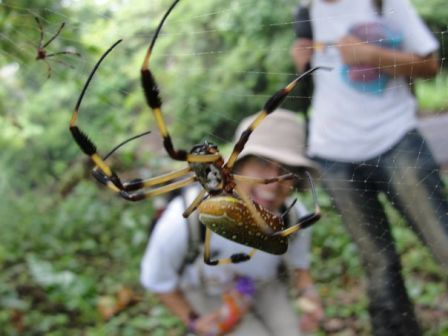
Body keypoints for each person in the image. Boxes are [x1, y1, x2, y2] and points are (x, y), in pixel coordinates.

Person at [291, 0, 448, 335]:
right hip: (332, 152)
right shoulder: (305, 11)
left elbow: (431, 64)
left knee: (442, 240)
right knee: (377, 262)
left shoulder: (384, 3)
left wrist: (372, 55)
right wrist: (301, 60)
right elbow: (312, 68)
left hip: (395, 138)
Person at [140, 109, 324, 336]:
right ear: (238, 167)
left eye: (287, 172)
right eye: (262, 164)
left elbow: (299, 265)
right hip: (209, 291)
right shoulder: (183, 220)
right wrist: (195, 322)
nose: (274, 183)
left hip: (263, 285)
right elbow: (157, 279)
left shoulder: (293, 215)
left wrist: (309, 294)